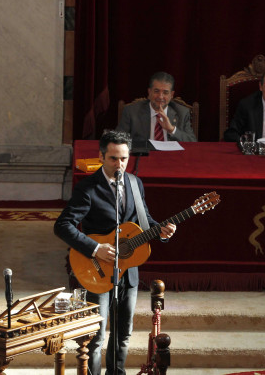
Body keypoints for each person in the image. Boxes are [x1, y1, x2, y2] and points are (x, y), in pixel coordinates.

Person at [54, 130, 176, 375]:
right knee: (96, 338)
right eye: (113, 159)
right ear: (101, 156)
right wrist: (96, 248)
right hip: (97, 271)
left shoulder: (135, 182)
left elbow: (144, 220)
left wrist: (159, 230)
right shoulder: (88, 188)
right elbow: (62, 225)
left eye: (123, 159)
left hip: (127, 273)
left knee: (122, 335)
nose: (119, 165)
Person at [117, 71, 197, 143]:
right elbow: (118, 139)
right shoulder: (131, 111)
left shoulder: (182, 113)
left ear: (171, 95)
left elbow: (193, 142)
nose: (160, 96)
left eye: (165, 92)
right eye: (156, 91)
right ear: (149, 92)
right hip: (143, 156)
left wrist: (171, 129)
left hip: (173, 156)